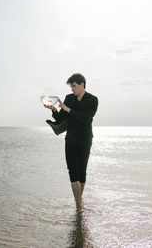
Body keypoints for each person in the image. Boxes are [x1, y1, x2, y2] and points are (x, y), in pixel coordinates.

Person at [43, 73, 98, 211]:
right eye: (71, 86)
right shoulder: (69, 98)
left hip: (85, 140)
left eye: (74, 86)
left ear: (82, 85)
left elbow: (86, 118)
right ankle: (79, 206)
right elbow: (61, 118)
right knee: (73, 172)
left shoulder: (92, 100)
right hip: (71, 140)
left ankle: (79, 201)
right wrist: (55, 110)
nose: (72, 89)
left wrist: (68, 109)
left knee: (82, 173)